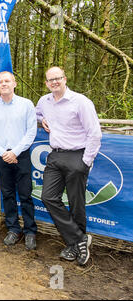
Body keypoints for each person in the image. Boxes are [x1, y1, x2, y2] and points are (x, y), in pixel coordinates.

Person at [36, 66, 102, 266]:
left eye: (58, 78)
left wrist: (85, 162)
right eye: (50, 80)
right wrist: (41, 119)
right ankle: (80, 239)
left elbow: (95, 133)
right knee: (48, 197)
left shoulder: (81, 102)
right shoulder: (44, 101)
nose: (54, 82)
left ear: (65, 79)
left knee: (76, 202)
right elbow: (35, 114)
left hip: (77, 157)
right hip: (55, 157)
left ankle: (75, 246)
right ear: (46, 83)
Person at [0, 71, 38, 250]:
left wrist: (14, 152)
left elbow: (31, 132)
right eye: (0, 82)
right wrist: (2, 152)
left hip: (21, 155)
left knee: (25, 194)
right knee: (7, 194)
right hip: (1, 156)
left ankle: (30, 231)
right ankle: (13, 229)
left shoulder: (26, 105)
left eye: (7, 81)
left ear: (14, 83)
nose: (4, 84)